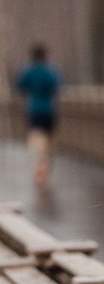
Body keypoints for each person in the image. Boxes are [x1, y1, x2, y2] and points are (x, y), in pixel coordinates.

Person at [16, 43, 61, 183]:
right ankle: (46, 163)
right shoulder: (49, 70)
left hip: (33, 109)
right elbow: (56, 85)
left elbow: (19, 85)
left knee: (37, 137)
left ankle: (41, 162)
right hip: (49, 109)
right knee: (50, 139)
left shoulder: (27, 70)